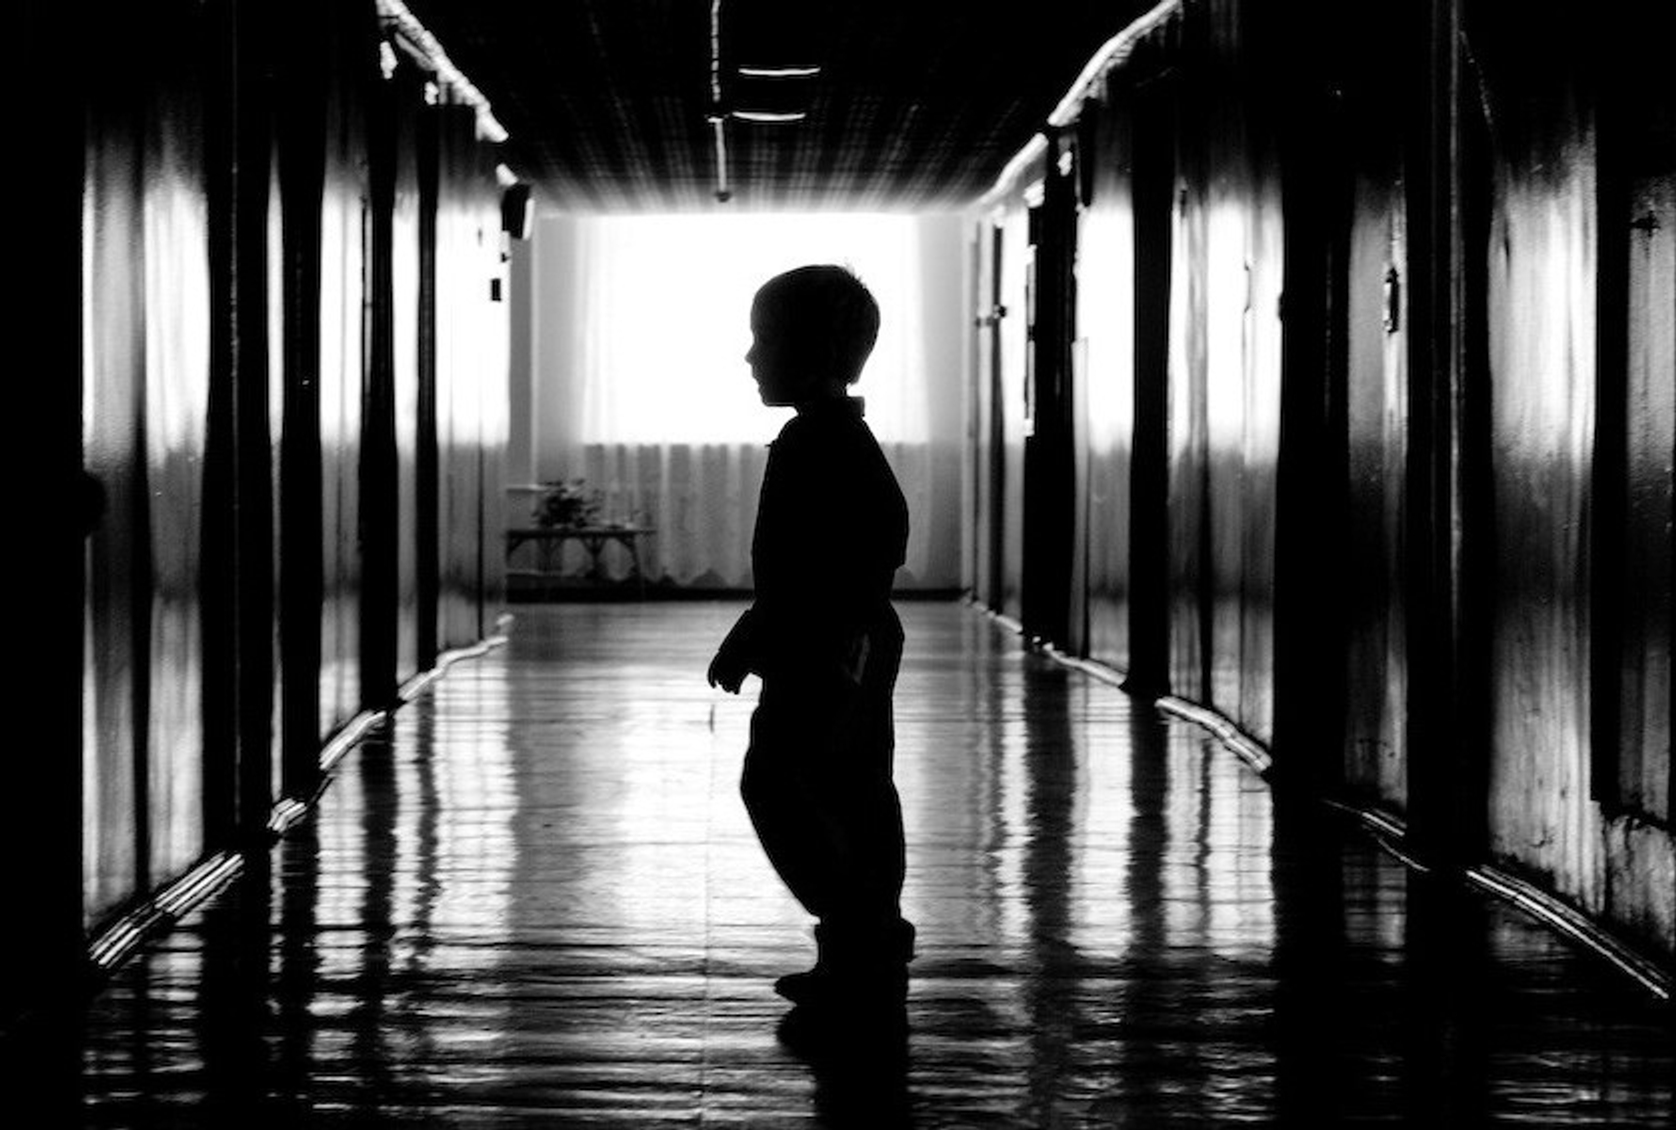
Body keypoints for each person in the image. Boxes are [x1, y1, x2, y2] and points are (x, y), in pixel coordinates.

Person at [707, 264, 915, 1017]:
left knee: (783, 783)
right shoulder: (829, 436)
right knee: (850, 788)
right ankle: (863, 939)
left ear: (810, 352)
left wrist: (774, 631)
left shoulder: (820, 442)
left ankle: (859, 932)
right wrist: (761, 626)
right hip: (842, 637)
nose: (750, 356)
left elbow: (846, 554)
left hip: (832, 644)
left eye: (763, 340)